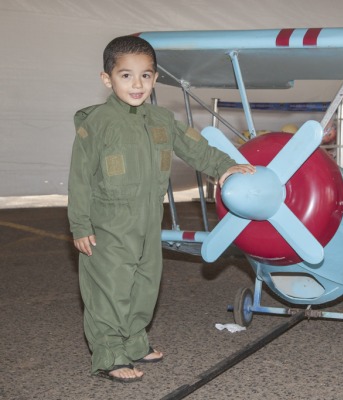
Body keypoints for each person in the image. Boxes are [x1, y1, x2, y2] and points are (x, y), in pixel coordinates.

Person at [68, 35, 255, 382]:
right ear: (107, 79)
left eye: (146, 75)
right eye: (126, 76)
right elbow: (79, 179)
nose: (137, 84)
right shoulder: (96, 124)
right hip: (108, 223)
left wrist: (225, 166)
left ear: (155, 79)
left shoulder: (161, 119)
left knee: (145, 284)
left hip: (148, 219)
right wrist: (80, 225)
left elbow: (195, 147)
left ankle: (135, 341)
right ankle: (109, 354)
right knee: (109, 289)